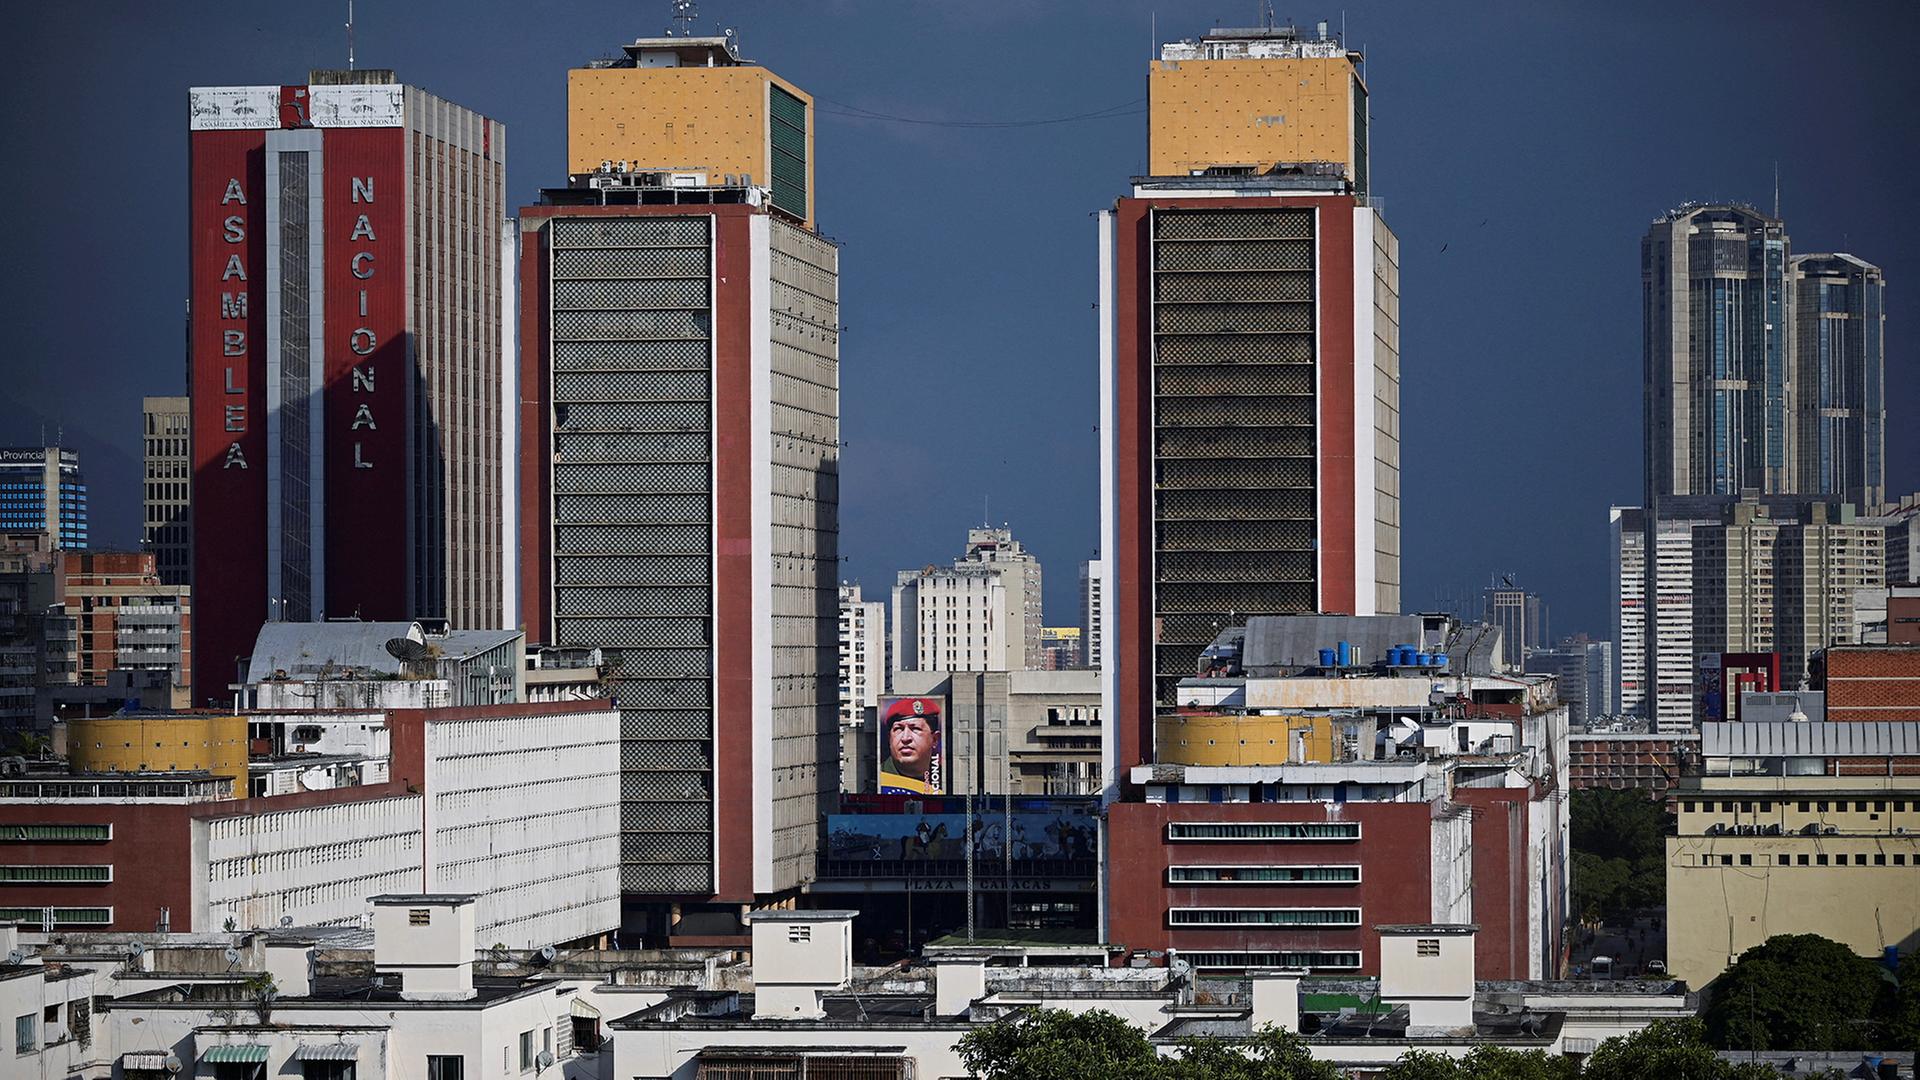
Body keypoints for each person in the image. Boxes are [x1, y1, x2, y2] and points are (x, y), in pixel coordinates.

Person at [879, 697, 942, 794]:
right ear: (889, 738)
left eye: (915, 729)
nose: (905, 738)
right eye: (899, 729)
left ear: (934, 739)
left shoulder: (945, 779)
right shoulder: (878, 778)